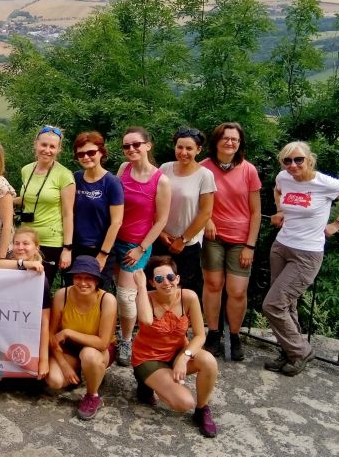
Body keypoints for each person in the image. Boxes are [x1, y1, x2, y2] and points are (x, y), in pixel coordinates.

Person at [265, 141, 339, 376]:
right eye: (287, 161)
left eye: (298, 160)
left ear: (309, 159)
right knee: (287, 305)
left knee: (273, 304)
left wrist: (337, 224)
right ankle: (290, 352)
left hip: (307, 253)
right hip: (281, 246)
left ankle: (300, 351)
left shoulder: (325, 183)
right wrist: (279, 210)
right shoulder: (283, 177)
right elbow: (277, 190)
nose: (293, 165)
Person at [131, 256, 218, 438]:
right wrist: (140, 286)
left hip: (178, 353)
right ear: (152, 283)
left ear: (177, 279)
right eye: (159, 279)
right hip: (149, 358)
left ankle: (202, 410)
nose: (166, 283)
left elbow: (200, 335)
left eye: (170, 277)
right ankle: (149, 383)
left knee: (209, 361)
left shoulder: (188, 297)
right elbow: (146, 321)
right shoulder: (145, 297)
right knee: (183, 403)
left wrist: (184, 357)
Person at [200, 122, 262, 361]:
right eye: (226, 138)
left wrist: (250, 245)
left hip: (241, 240)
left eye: (235, 139)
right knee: (213, 284)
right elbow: (196, 200)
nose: (230, 142)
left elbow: (256, 212)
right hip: (212, 236)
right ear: (216, 141)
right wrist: (206, 221)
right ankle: (214, 333)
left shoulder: (249, 170)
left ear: (240, 144)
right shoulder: (203, 168)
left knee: (237, 291)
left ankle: (234, 336)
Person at [113, 127, 170, 367]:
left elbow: (161, 220)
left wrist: (141, 247)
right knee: (116, 289)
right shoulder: (123, 170)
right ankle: (116, 332)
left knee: (126, 296)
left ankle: (126, 339)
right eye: (126, 146)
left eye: (136, 144)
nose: (131, 150)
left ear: (148, 145)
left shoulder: (161, 180)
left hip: (136, 244)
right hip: (114, 237)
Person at [46, 254, 116, 421]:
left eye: (88, 278)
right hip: (69, 348)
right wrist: (64, 365)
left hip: (98, 349)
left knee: (89, 356)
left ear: (97, 280)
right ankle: (82, 371)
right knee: (54, 381)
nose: (83, 282)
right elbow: (51, 334)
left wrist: (68, 332)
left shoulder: (107, 300)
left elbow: (103, 342)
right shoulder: (62, 295)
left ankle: (92, 395)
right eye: (78, 277)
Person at [156, 128, 215, 301]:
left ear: (198, 150)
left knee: (181, 289)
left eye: (189, 148)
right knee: (157, 284)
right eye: (180, 147)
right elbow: (154, 201)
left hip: (188, 243)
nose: (183, 152)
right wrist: (160, 233)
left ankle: (178, 326)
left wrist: (182, 240)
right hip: (162, 238)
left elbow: (206, 212)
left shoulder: (205, 175)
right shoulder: (165, 168)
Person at [0, 227, 51, 383]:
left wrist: (44, 360)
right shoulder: (8, 265)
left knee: (35, 376)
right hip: (3, 328)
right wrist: (24, 264)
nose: (20, 247)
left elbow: (45, 321)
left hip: (27, 331)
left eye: (26, 243)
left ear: (36, 247)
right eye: (17, 243)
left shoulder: (40, 279)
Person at [17, 125, 75, 285]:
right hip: (25, 240)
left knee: (41, 288)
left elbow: (68, 213)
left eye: (52, 146)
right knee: (21, 286)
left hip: (50, 242)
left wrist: (67, 248)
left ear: (58, 149)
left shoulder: (64, 175)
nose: (47, 150)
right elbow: (26, 199)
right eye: (44, 145)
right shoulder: (26, 170)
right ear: (36, 144)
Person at [70, 131, 124, 292]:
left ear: (101, 152)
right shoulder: (76, 178)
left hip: (100, 249)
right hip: (77, 249)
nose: (86, 157)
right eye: (80, 154)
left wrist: (103, 254)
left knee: (99, 295)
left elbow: (116, 222)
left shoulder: (112, 182)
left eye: (91, 152)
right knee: (74, 294)